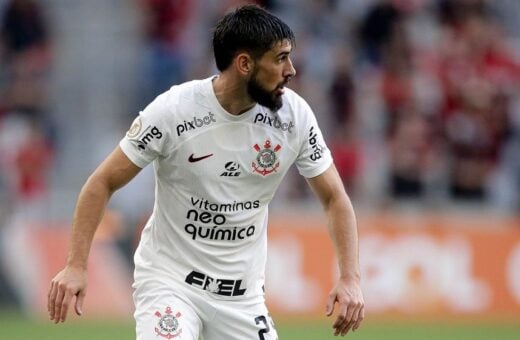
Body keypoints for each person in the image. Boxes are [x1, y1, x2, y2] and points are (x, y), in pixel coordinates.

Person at [47, 4, 364, 339]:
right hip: (170, 283)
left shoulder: (294, 116)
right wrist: (76, 265)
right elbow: (103, 182)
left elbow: (334, 198)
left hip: (242, 298)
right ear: (244, 64)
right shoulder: (174, 111)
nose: (292, 70)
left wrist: (350, 277)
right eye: (280, 58)